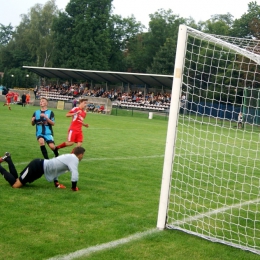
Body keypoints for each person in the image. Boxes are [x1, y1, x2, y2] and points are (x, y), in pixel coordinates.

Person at [0, 147, 85, 190]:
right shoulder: (74, 159)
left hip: (40, 168)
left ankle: (8, 159)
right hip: (37, 166)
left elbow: (55, 168)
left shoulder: (70, 157)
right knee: (15, 185)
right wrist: (74, 187)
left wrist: (56, 183)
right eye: (83, 155)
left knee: (17, 180)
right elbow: (75, 174)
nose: (83, 157)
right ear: (80, 154)